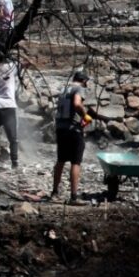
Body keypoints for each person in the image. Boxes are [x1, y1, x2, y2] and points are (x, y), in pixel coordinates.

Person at [51, 71, 92, 205]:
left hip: (60, 128)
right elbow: (77, 104)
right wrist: (85, 115)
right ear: (84, 81)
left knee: (61, 160)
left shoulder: (64, 89)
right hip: (73, 129)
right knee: (76, 162)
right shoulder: (79, 88)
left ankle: (54, 193)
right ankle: (74, 197)